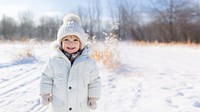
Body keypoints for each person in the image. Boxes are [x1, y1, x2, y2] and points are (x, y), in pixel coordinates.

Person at [39, 13, 101, 112]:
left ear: (81, 43)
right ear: (60, 43)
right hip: (59, 107)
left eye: (75, 39)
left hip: (80, 108)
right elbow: (46, 77)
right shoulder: (54, 61)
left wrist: (93, 98)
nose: (71, 43)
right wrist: (45, 94)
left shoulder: (88, 63)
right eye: (66, 39)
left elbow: (94, 81)